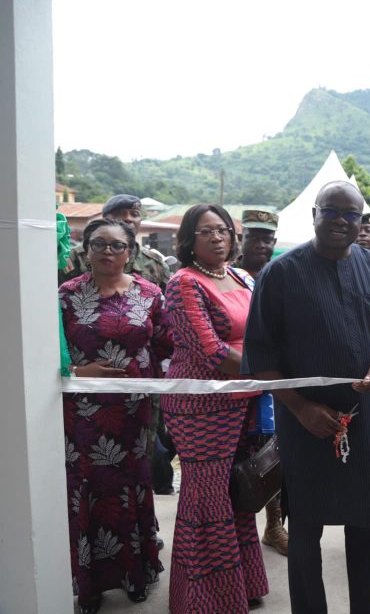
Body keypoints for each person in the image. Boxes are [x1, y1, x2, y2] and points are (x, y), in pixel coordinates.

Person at [243, 181, 370, 614]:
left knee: (368, 526)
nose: (341, 220)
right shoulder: (281, 274)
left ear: (361, 222)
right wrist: (301, 409)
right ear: (314, 214)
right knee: (305, 531)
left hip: (367, 420)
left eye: (351, 214)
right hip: (305, 424)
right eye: (331, 211)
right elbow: (260, 356)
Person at [60, 218, 172, 614]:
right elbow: (48, 358)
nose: (108, 251)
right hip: (83, 417)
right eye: (99, 244)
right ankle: (89, 586)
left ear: (131, 251)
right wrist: (79, 373)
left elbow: (165, 348)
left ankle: (135, 576)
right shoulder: (66, 296)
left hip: (134, 414)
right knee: (88, 492)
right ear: (85, 249)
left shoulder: (151, 294)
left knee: (131, 489)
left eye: (117, 245)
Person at [161, 204, 269, 613]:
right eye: (206, 232)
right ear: (189, 239)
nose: (217, 237)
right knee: (207, 500)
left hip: (247, 400)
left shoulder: (241, 276)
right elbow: (212, 352)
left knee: (240, 492)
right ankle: (205, 599)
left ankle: (242, 586)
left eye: (223, 230)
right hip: (201, 407)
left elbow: (264, 333)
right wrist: (273, 372)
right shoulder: (182, 283)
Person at [236, 210, 289, 558]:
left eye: (267, 238)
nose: (260, 244)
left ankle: (274, 526)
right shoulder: (230, 275)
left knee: (272, 454)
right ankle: (237, 532)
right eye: (253, 237)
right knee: (239, 458)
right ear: (241, 238)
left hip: (274, 379)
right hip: (234, 382)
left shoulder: (279, 274)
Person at [60, 194, 170, 287]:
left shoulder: (156, 264)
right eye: (120, 213)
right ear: (105, 218)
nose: (128, 218)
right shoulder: (75, 258)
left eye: (134, 214)